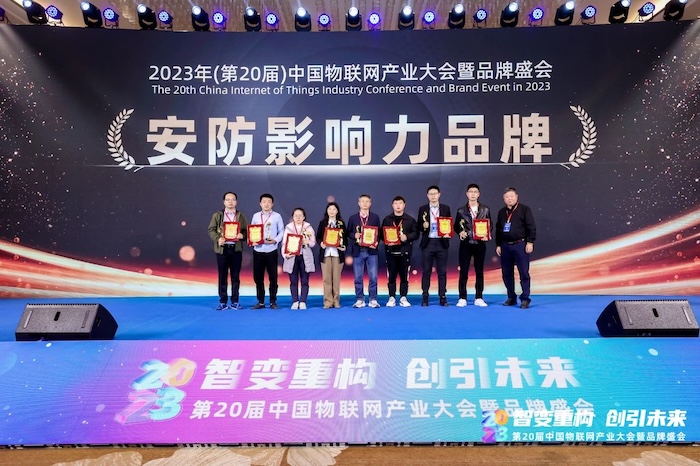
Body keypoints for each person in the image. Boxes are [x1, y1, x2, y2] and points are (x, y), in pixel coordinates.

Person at [495, 187, 536, 309]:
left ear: (516, 197)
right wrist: (498, 244)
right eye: (507, 197)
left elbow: (531, 226)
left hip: (520, 245)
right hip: (505, 246)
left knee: (524, 272)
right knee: (506, 273)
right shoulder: (501, 212)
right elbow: (498, 230)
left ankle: (525, 298)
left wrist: (530, 242)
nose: (510, 199)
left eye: (512, 196)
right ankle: (511, 297)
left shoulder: (524, 209)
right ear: (504, 199)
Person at [207, 192, 248, 310]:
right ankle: (223, 301)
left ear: (236, 202)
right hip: (222, 250)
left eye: (233, 199)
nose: (230, 202)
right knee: (222, 276)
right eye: (228, 199)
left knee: (235, 277)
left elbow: (246, 231)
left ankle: (235, 301)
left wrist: (242, 235)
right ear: (224, 202)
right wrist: (217, 239)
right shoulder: (218, 215)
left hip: (236, 250)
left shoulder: (241, 216)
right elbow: (211, 230)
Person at [454, 184, 492, 308]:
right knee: (463, 271)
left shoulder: (485, 210)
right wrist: (460, 232)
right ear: (467, 194)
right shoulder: (461, 210)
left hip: (480, 244)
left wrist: (487, 234)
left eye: (475, 192)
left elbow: (490, 225)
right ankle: (462, 297)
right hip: (466, 244)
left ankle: (479, 297)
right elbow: (456, 226)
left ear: (479, 194)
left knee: (479, 271)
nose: (473, 194)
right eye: (471, 191)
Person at [381, 196, 419, 307]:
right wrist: (387, 241)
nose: (398, 205)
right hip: (391, 252)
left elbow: (416, 234)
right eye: (396, 203)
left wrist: (407, 237)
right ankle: (391, 297)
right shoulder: (387, 219)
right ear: (392, 205)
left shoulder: (410, 220)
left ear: (404, 205)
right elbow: (382, 234)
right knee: (391, 276)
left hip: (404, 252)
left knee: (404, 276)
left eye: (400, 203)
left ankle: (403, 297)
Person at [249, 193, 285, 310]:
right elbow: (252, 231)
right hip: (258, 250)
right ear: (260, 203)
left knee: (273, 278)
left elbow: (282, 231)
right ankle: (260, 301)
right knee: (258, 278)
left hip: (271, 250)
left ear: (272, 204)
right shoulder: (255, 216)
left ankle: (273, 301)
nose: (266, 204)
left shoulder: (277, 216)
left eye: (269, 202)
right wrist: (252, 240)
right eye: (264, 202)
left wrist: (275, 240)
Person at [346, 194, 382, 308]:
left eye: (367, 201)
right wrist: (354, 235)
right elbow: (348, 233)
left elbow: (379, 233)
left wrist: (376, 242)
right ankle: (360, 299)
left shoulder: (375, 217)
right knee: (358, 277)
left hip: (372, 251)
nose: (365, 203)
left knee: (373, 277)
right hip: (358, 251)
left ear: (370, 203)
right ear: (359, 203)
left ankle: (373, 299)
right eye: (363, 201)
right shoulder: (353, 218)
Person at [418, 185, 451, 306]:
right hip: (428, 243)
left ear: (439, 195)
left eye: (435, 194)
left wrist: (447, 232)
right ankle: (425, 296)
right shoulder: (423, 209)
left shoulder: (445, 208)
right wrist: (423, 226)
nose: (433, 196)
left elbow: (449, 224)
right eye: (430, 194)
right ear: (427, 196)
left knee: (442, 272)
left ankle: (442, 296)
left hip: (442, 243)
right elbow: (418, 226)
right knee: (426, 271)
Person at [282, 208, 316, 310]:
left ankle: (303, 301)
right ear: (293, 217)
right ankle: (295, 301)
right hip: (292, 257)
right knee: (293, 281)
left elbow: (313, 243)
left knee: (305, 280)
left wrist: (307, 242)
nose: (298, 217)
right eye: (296, 215)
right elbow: (284, 243)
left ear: (304, 217)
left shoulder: (308, 228)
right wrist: (285, 254)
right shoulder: (288, 228)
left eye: (300, 215)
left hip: (305, 257)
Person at [316, 202, 347, 309]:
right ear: (327, 211)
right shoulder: (323, 223)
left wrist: (343, 246)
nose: (332, 211)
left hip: (337, 254)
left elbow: (345, 239)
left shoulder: (341, 223)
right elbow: (318, 237)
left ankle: (336, 301)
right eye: (330, 209)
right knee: (326, 279)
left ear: (337, 211)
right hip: (326, 254)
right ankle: (328, 302)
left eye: (334, 209)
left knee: (336, 279)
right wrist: (321, 243)